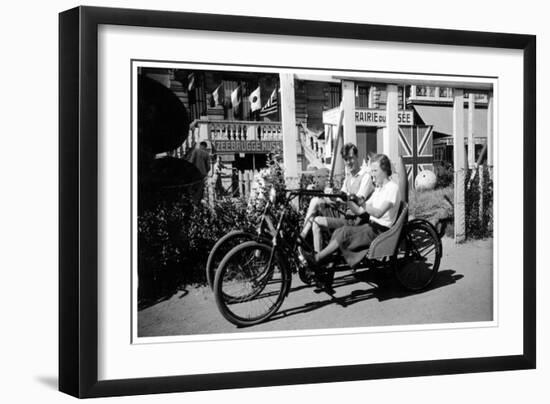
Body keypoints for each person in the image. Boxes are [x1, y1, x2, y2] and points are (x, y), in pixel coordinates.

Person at [304, 153, 401, 269]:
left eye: (375, 171)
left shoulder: (392, 188)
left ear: (384, 170)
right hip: (371, 227)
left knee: (345, 233)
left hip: (381, 231)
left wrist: (362, 203)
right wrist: (349, 199)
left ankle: (317, 258)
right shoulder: (379, 190)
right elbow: (360, 211)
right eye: (372, 171)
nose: (372, 174)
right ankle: (327, 261)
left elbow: (378, 213)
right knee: (340, 230)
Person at [299, 143, 374, 252]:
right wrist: (328, 195)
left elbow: (358, 201)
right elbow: (340, 198)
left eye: (351, 158)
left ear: (357, 157)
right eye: (346, 159)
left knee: (316, 220)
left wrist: (339, 198)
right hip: (344, 215)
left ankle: (306, 244)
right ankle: (306, 243)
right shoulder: (349, 177)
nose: (348, 162)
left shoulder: (365, 177)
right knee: (316, 200)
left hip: (354, 220)